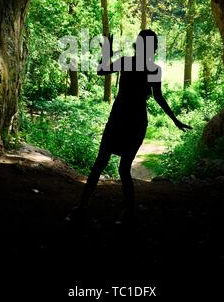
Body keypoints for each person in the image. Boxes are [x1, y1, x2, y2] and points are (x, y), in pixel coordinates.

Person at [67, 29, 192, 224]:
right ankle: (127, 213)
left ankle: (82, 208)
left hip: (120, 119)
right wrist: (175, 120)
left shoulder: (128, 62)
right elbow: (158, 97)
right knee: (121, 169)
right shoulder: (151, 68)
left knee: (102, 166)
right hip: (134, 121)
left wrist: (107, 52)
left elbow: (102, 70)